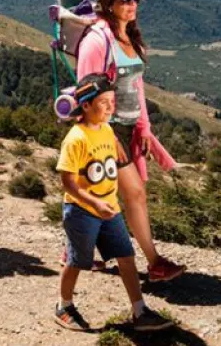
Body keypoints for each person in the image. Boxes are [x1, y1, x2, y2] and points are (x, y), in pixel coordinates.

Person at [75, 0, 186, 282]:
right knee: (134, 194)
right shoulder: (97, 41)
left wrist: (145, 129)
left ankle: (75, 251)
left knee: (99, 192)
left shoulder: (128, 38)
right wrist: (106, 134)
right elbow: (87, 91)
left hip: (128, 128)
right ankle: (154, 262)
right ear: (108, 4)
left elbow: (137, 87)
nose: (131, 3)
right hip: (105, 131)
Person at [54, 73, 174, 332]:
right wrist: (93, 203)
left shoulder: (107, 130)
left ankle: (139, 310)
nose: (111, 107)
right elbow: (68, 184)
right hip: (82, 211)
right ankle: (64, 306)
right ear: (85, 106)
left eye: (112, 101)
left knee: (126, 257)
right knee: (76, 261)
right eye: (104, 102)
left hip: (109, 208)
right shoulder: (75, 139)